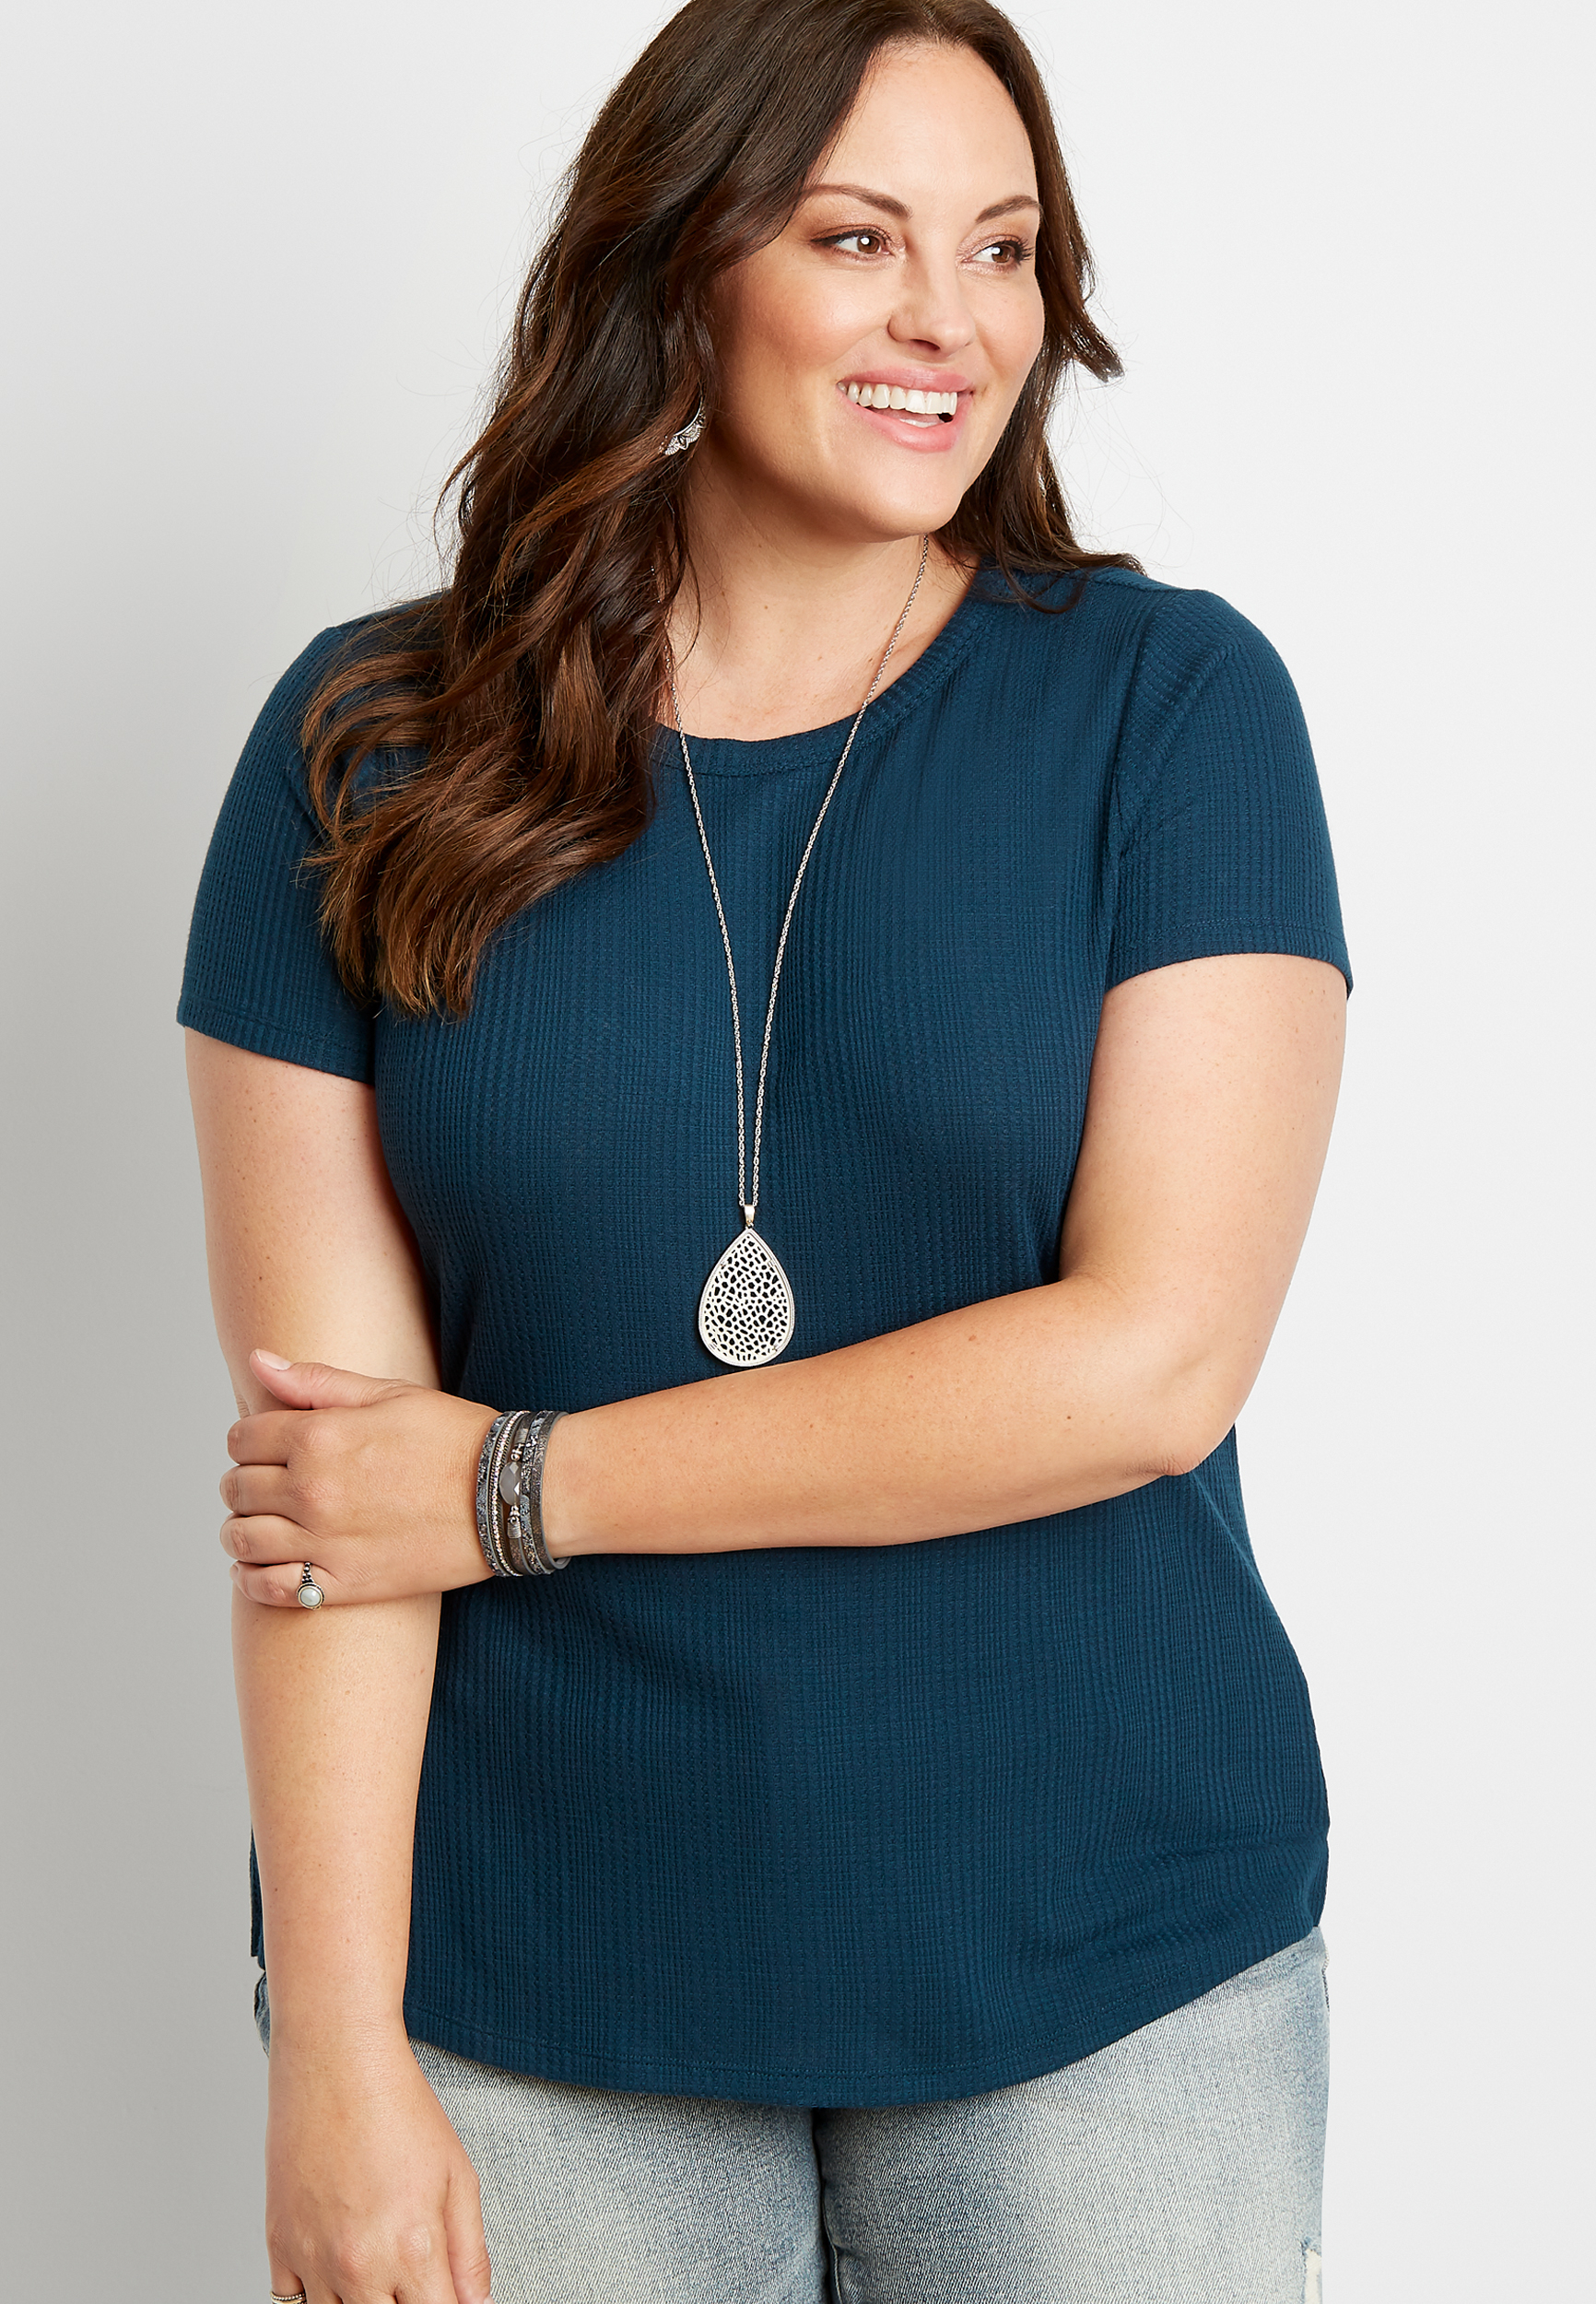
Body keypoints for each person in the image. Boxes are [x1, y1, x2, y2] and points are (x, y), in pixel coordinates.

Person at [180, 2, 1349, 2298]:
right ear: (678, 261)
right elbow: (331, 1486)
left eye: (1001, 247)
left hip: (1103, 1964)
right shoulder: (368, 746)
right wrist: (333, 2048)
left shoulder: (1169, 710)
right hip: (528, 1981)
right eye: (855, 237)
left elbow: (1147, 1361)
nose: (952, 319)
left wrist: (514, 1483)